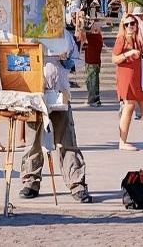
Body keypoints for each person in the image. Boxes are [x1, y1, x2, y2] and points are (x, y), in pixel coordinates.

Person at [20, 29, 92, 203]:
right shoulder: (29, 33)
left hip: (60, 91)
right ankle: (31, 181)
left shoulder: (64, 35)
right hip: (35, 94)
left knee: (67, 140)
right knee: (33, 141)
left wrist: (66, 61)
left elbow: (78, 62)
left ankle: (76, 183)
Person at [113, 14, 143, 150]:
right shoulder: (121, 39)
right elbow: (114, 59)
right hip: (126, 77)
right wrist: (128, 53)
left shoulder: (138, 40)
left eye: (132, 23)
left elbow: (142, 56)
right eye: (126, 24)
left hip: (139, 77)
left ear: (136, 24)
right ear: (123, 26)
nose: (130, 26)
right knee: (129, 107)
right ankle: (122, 142)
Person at [83, 19, 104, 107]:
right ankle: (95, 99)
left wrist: (79, 22)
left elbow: (83, 33)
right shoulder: (97, 37)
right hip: (93, 62)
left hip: (92, 62)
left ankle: (93, 99)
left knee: (91, 82)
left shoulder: (95, 37)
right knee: (93, 81)